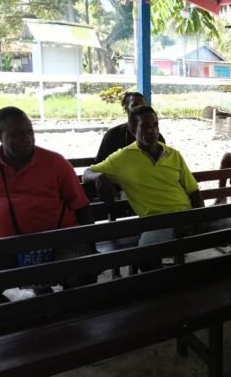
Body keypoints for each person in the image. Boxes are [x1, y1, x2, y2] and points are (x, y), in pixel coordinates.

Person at [0, 107, 95, 301]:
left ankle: (65, 313)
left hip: (58, 242)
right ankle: (18, 315)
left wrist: (90, 243)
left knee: (82, 272)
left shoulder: (55, 162)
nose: (26, 139)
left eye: (29, 132)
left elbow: (81, 207)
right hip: (2, 248)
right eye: (17, 134)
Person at [84, 105, 204, 270]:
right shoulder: (122, 158)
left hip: (188, 215)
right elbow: (87, 172)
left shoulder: (173, 154)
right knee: (145, 260)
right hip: (158, 222)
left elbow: (193, 191)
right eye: (145, 126)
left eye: (155, 125)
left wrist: (200, 217)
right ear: (133, 130)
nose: (152, 130)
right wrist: (99, 177)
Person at [94, 92, 165, 163]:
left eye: (142, 106)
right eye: (135, 106)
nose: (139, 109)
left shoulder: (156, 136)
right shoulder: (112, 135)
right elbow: (100, 163)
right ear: (126, 108)